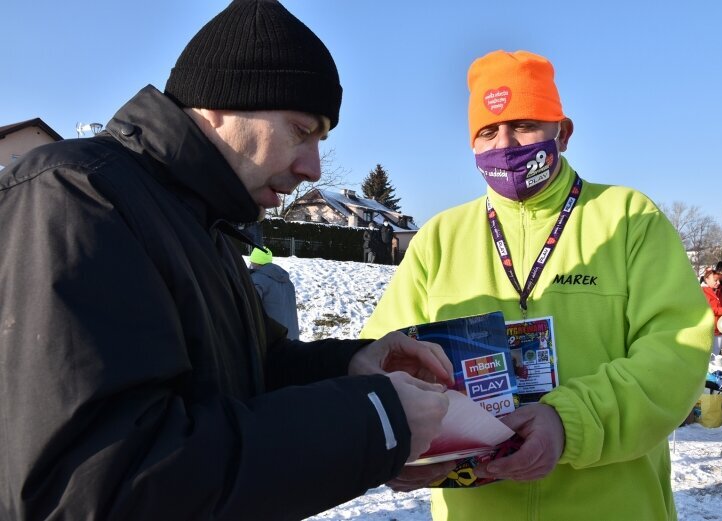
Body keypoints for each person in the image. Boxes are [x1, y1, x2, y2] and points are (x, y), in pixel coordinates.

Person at [0, 2, 454, 519]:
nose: (312, 167)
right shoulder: (77, 196)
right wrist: (375, 420)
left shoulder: (203, 226)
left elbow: (246, 377)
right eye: (301, 130)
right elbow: (99, 486)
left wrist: (351, 368)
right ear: (219, 103)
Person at [362, 50, 713, 520]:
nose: (505, 143)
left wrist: (569, 422)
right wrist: (396, 442)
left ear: (562, 133)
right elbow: (382, 356)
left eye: (524, 124)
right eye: (488, 131)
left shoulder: (629, 220)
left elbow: (676, 353)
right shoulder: (440, 239)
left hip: (614, 506)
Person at [248, 246, 300, 340]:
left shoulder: (256, 280)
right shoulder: (288, 282)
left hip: (272, 343)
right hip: (292, 342)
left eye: (251, 263)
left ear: (255, 262)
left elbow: (249, 311)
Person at [702, 268, 722, 356]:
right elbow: (706, 309)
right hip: (708, 329)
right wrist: (721, 311)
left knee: (716, 355)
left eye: (719, 280)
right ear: (707, 279)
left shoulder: (719, 291)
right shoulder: (702, 292)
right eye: (715, 280)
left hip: (719, 328)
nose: (718, 283)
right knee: (708, 357)